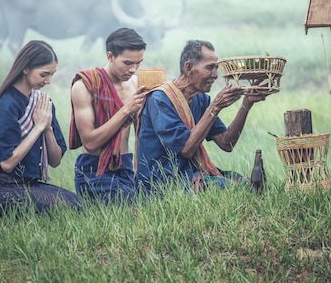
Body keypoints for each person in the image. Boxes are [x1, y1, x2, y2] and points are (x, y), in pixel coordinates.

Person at [135, 39, 266, 193]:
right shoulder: (160, 99)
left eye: (216, 68)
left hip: (189, 174)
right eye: (210, 68)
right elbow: (186, 149)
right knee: (232, 189)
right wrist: (215, 107)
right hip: (161, 181)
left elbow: (226, 144)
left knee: (244, 183)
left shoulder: (201, 99)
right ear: (189, 67)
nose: (215, 75)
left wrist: (246, 104)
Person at [0, 40, 80, 216]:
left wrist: (47, 128)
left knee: (78, 205)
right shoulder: (7, 103)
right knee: (65, 209)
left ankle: (5, 219)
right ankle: (1, 218)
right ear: (26, 68)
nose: (48, 81)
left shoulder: (43, 102)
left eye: (52, 75)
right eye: (44, 74)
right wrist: (38, 127)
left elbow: (55, 161)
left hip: (28, 184)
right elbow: (7, 164)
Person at [69, 28, 148, 203]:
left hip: (126, 167)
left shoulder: (136, 84)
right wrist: (126, 110)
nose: (133, 69)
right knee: (136, 208)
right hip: (94, 171)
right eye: (127, 63)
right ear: (110, 56)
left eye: (138, 63)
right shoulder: (86, 85)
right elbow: (90, 143)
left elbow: (142, 134)